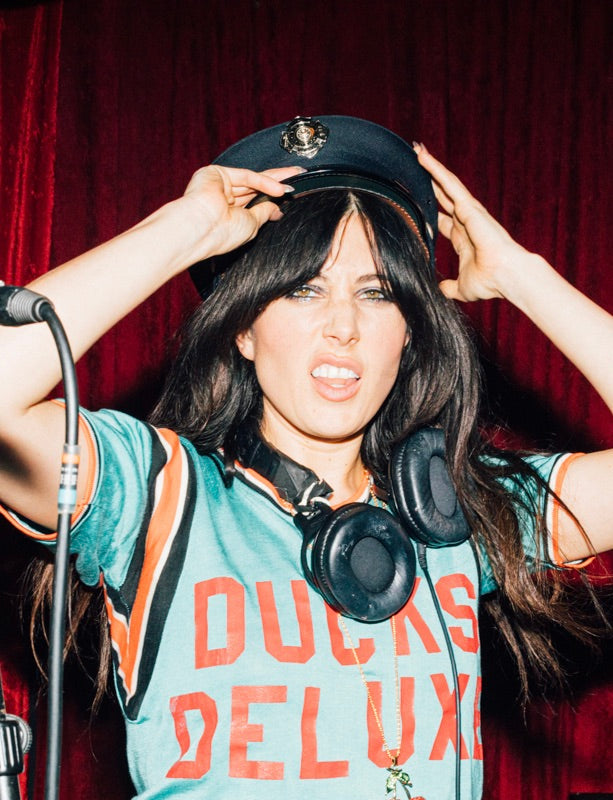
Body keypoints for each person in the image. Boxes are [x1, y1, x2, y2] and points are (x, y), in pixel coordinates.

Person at [0, 115, 611, 800]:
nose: (343, 327)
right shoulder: (156, 493)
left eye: (376, 294)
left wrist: (524, 278)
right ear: (243, 328)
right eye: (303, 289)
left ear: (409, 333)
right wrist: (184, 229)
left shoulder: (456, 512)